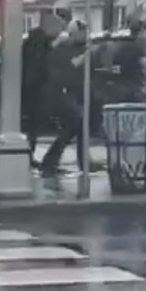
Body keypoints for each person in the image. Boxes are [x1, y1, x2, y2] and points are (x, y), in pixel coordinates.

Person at [38, 21, 91, 176]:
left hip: (71, 93)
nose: (85, 36)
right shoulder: (61, 50)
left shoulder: (80, 48)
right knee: (77, 123)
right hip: (59, 93)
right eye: (82, 33)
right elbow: (65, 70)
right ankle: (52, 161)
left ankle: (53, 161)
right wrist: (82, 59)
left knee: (76, 126)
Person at [22, 24, 53, 166]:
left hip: (28, 90)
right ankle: (29, 155)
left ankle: (28, 155)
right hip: (38, 90)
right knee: (33, 127)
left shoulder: (26, 49)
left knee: (30, 126)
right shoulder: (44, 50)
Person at [112, 19, 146, 101]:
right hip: (134, 87)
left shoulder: (122, 47)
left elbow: (116, 67)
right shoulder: (137, 47)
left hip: (121, 87)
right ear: (141, 32)